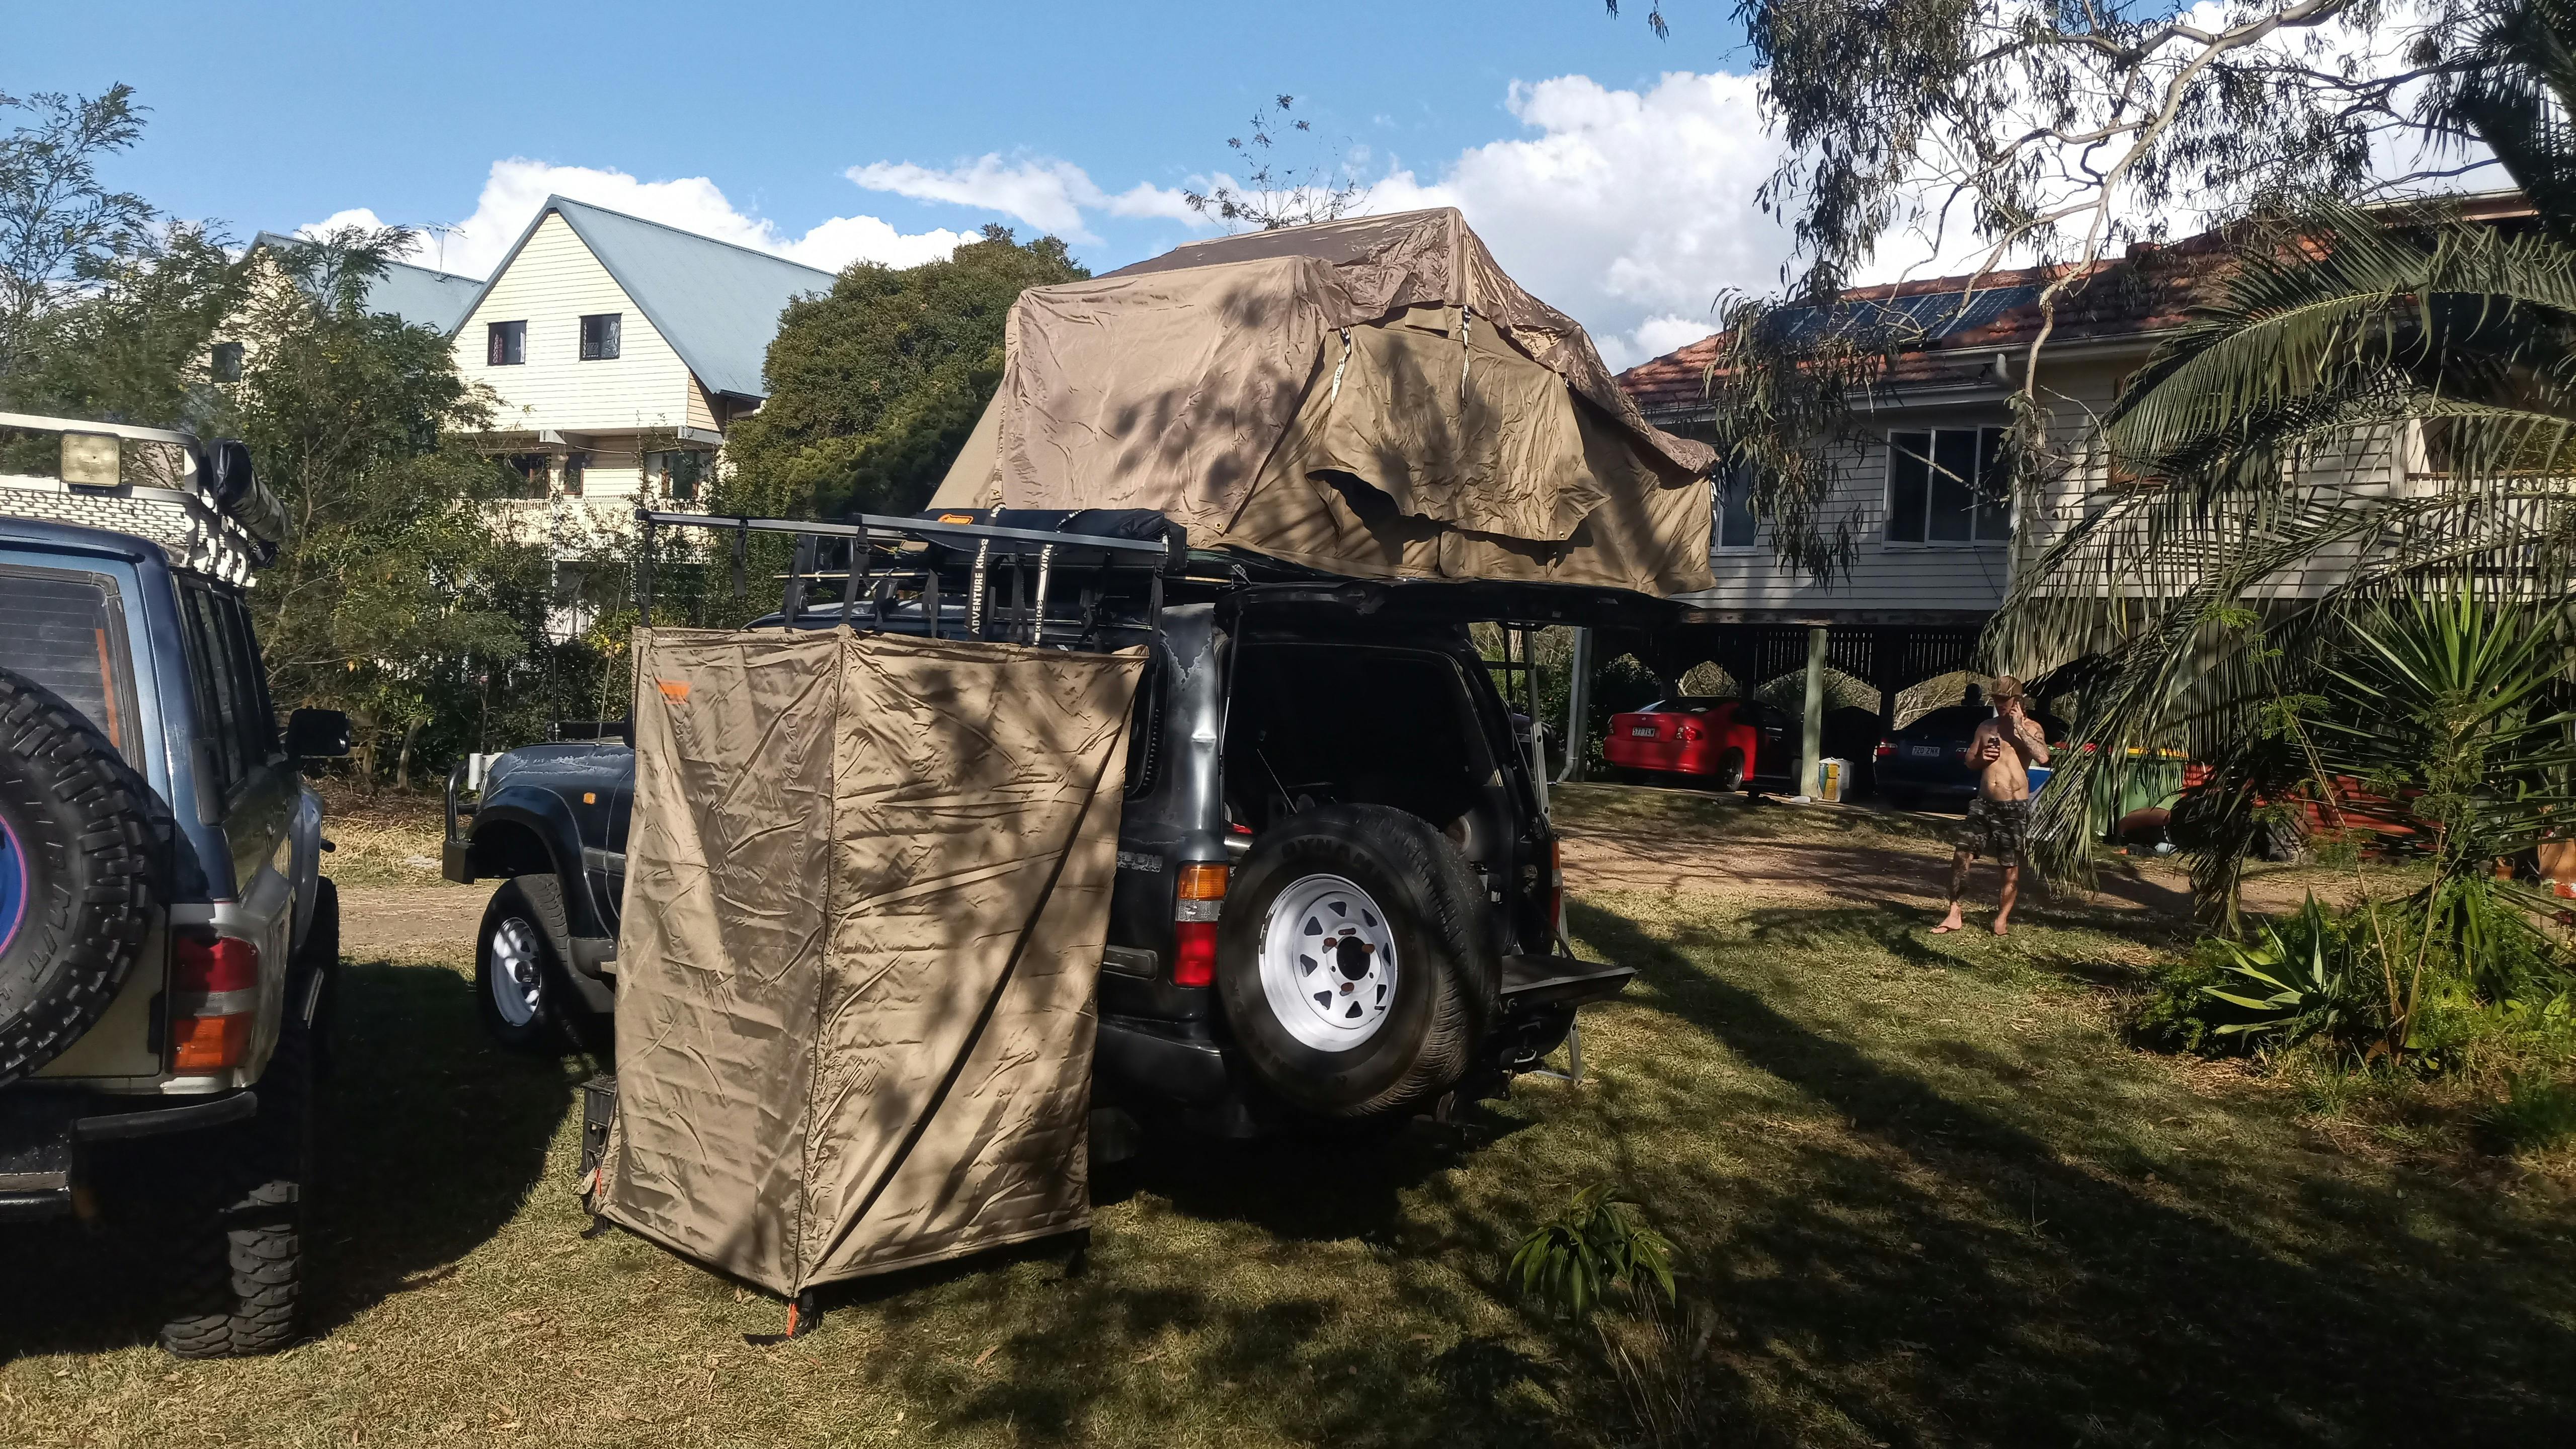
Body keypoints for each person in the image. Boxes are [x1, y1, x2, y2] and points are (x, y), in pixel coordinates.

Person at [1934, 676, 2049, 936]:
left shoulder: (2032, 728)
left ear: (2018, 700)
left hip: (2013, 806)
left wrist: (2019, 727)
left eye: (2005, 700)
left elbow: (2043, 757)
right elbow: (1970, 760)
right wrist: (1982, 758)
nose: (2000, 704)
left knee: (2009, 865)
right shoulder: (1987, 727)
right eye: (1996, 699)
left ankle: (2001, 919)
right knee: (1962, 855)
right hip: (1984, 803)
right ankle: (1954, 912)